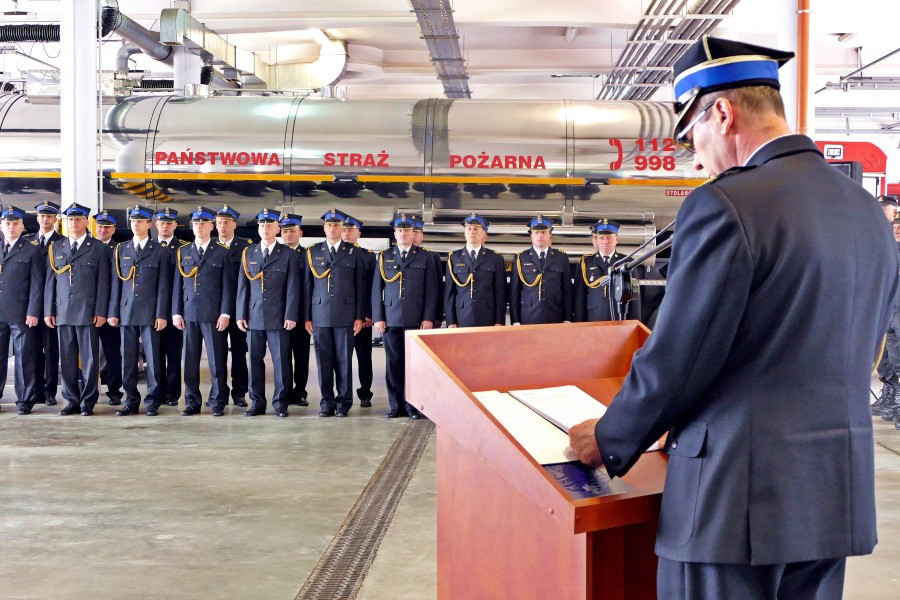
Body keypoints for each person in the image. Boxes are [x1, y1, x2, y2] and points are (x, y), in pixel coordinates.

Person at [568, 36, 898, 598]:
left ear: (721, 111)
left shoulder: (726, 205)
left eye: (693, 133)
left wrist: (613, 436)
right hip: (833, 497)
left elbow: (682, 352)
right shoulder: (866, 211)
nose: (697, 155)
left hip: (734, 504)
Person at [44, 202, 111, 416]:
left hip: (88, 312)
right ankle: (71, 400)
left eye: (78, 219)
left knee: (91, 360)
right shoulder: (56, 248)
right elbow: (50, 282)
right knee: (67, 359)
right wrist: (48, 310)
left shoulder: (98, 248)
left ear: (86, 221)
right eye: (71, 219)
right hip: (63, 312)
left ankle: (87, 402)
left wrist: (101, 310)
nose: (74, 223)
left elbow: (103, 283)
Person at [372, 214, 439, 418]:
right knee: (393, 364)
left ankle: (413, 406)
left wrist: (428, 317)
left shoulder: (425, 256)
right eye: (399, 230)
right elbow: (377, 290)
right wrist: (378, 317)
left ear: (413, 233)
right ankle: (395, 406)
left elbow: (432, 290)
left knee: (415, 366)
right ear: (395, 234)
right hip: (391, 319)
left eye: (407, 230)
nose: (403, 233)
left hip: (417, 320)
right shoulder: (385, 256)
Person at [236, 209, 301, 418]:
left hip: (279, 316)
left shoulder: (288, 254)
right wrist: (240, 314)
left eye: (270, 225)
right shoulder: (249, 253)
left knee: (281, 362)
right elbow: (243, 287)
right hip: (254, 316)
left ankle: (281, 403)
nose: (265, 229)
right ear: (258, 229)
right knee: (254, 361)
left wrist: (291, 315)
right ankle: (256, 402)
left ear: (277, 229)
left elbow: (293, 287)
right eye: (262, 225)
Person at [108, 205, 172, 416]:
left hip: (150, 313)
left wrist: (162, 314)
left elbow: (163, 286)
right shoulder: (122, 249)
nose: (135, 224)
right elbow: (116, 284)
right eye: (133, 221)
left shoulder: (159, 250)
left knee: (153, 359)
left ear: (149, 224)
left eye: (140, 221)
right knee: (127, 359)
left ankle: (152, 401)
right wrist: (113, 312)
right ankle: (131, 400)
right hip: (126, 312)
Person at [172, 206, 235, 417]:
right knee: (189, 361)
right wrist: (176, 312)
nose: (199, 227)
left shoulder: (221, 252)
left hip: (213, 314)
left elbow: (228, 286)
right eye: (196, 223)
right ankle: (191, 402)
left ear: (211, 226)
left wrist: (225, 313)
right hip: (188, 315)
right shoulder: (183, 251)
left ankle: (218, 402)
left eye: (203, 223)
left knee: (217, 360)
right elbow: (177, 285)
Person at [304, 209, 366, 418]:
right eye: (329, 225)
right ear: (324, 228)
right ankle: (326, 402)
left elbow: (360, 286)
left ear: (342, 228)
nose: (333, 228)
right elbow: (307, 287)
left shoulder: (354, 252)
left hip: (346, 314)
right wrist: (307, 316)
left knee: (344, 361)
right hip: (319, 314)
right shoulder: (313, 252)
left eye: (337, 225)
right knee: (323, 361)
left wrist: (359, 315)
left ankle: (343, 403)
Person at [0, 206, 44, 415]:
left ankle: (24, 400)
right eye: (7, 223)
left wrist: (33, 311)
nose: (11, 227)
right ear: (1, 226)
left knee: (24, 357)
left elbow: (37, 283)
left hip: (21, 313)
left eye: (15, 223)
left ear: (22, 226)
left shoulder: (31, 249)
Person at [214, 204, 252, 408]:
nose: (222, 226)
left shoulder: (245, 248)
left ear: (234, 225)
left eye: (226, 222)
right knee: (216, 354)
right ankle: (219, 392)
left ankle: (239, 392)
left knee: (239, 353)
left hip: (239, 310)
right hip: (215, 310)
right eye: (219, 222)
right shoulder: (210, 247)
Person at [27, 200, 63, 406]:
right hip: (31, 306)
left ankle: (50, 390)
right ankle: (36, 389)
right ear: (37, 218)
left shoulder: (62, 243)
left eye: (49, 216)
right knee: (32, 351)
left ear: (55, 219)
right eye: (42, 216)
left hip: (53, 306)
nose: (45, 219)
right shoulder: (27, 243)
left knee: (51, 350)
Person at [445, 213, 506, 328]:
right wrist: (450, 320)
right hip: (461, 316)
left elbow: (500, 293)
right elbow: (449, 293)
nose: (472, 232)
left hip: (488, 316)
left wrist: (499, 321)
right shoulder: (453, 258)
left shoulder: (495, 258)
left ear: (483, 233)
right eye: (469, 229)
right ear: (464, 232)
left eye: (476, 229)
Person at [154, 208, 189, 407]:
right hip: (154, 311)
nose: (165, 226)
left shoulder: (183, 248)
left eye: (169, 223)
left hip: (176, 310)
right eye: (162, 223)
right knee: (155, 354)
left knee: (174, 354)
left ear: (175, 225)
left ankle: (173, 393)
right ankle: (158, 391)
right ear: (156, 225)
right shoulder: (149, 247)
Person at [509, 215, 573, 325]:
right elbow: (514, 292)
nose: (540, 235)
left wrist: (567, 318)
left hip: (555, 316)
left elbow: (567, 291)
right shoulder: (520, 258)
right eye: (536, 232)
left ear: (550, 235)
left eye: (544, 232)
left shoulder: (561, 257)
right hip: (528, 316)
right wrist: (515, 320)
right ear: (531, 236)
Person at [574, 219, 641, 322]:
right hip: (594, 320)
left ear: (616, 239)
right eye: (601, 238)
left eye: (609, 238)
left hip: (620, 320)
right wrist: (579, 324)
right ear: (597, 240)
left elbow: (634, 300)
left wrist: (634, 324)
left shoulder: (628, 263)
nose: (605, 242)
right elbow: (580, 299)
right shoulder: (585, 263)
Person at [341, 214, 375, 407]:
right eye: (344, 229)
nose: (346, 233)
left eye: (350, 230)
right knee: (342, 359)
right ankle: (343, 394)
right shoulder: (334, 254)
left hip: (362, 317)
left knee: (364, 357)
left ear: (358, 233)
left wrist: (368, 314)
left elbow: (371, 287)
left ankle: (365, 393)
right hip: (341, 317)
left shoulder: (367, 255)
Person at [279, 213, 311, 406]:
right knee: (282, 356)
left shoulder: (307, 255)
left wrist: (308, 315)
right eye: (284, 231)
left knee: (301, 356)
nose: (288, 234)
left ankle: (300, 392)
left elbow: (309, 287)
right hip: (280, 314)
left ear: (300, 232)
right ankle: (285, 391)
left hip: (300, 313)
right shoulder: (277, 253)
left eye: (292, 230)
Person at [94, 210, 124, 406]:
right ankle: (88, 389)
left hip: (110, 311)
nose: (103, 230)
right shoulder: (89, 248)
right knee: (86, 353)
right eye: (100, 226)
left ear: (113, 230)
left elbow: (117, 284)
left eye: (107, 227)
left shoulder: (119, 250)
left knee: (113, 353)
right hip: (88, 311)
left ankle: (114, 390)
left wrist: (112, 311)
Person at [412, 216, 444, 326]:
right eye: (411, 231)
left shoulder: (432, 256)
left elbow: (438, 289)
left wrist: (438, 316)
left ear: (422, 235)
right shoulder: (390, 255)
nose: (413, 236)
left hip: (425, 316)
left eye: (417, 232)